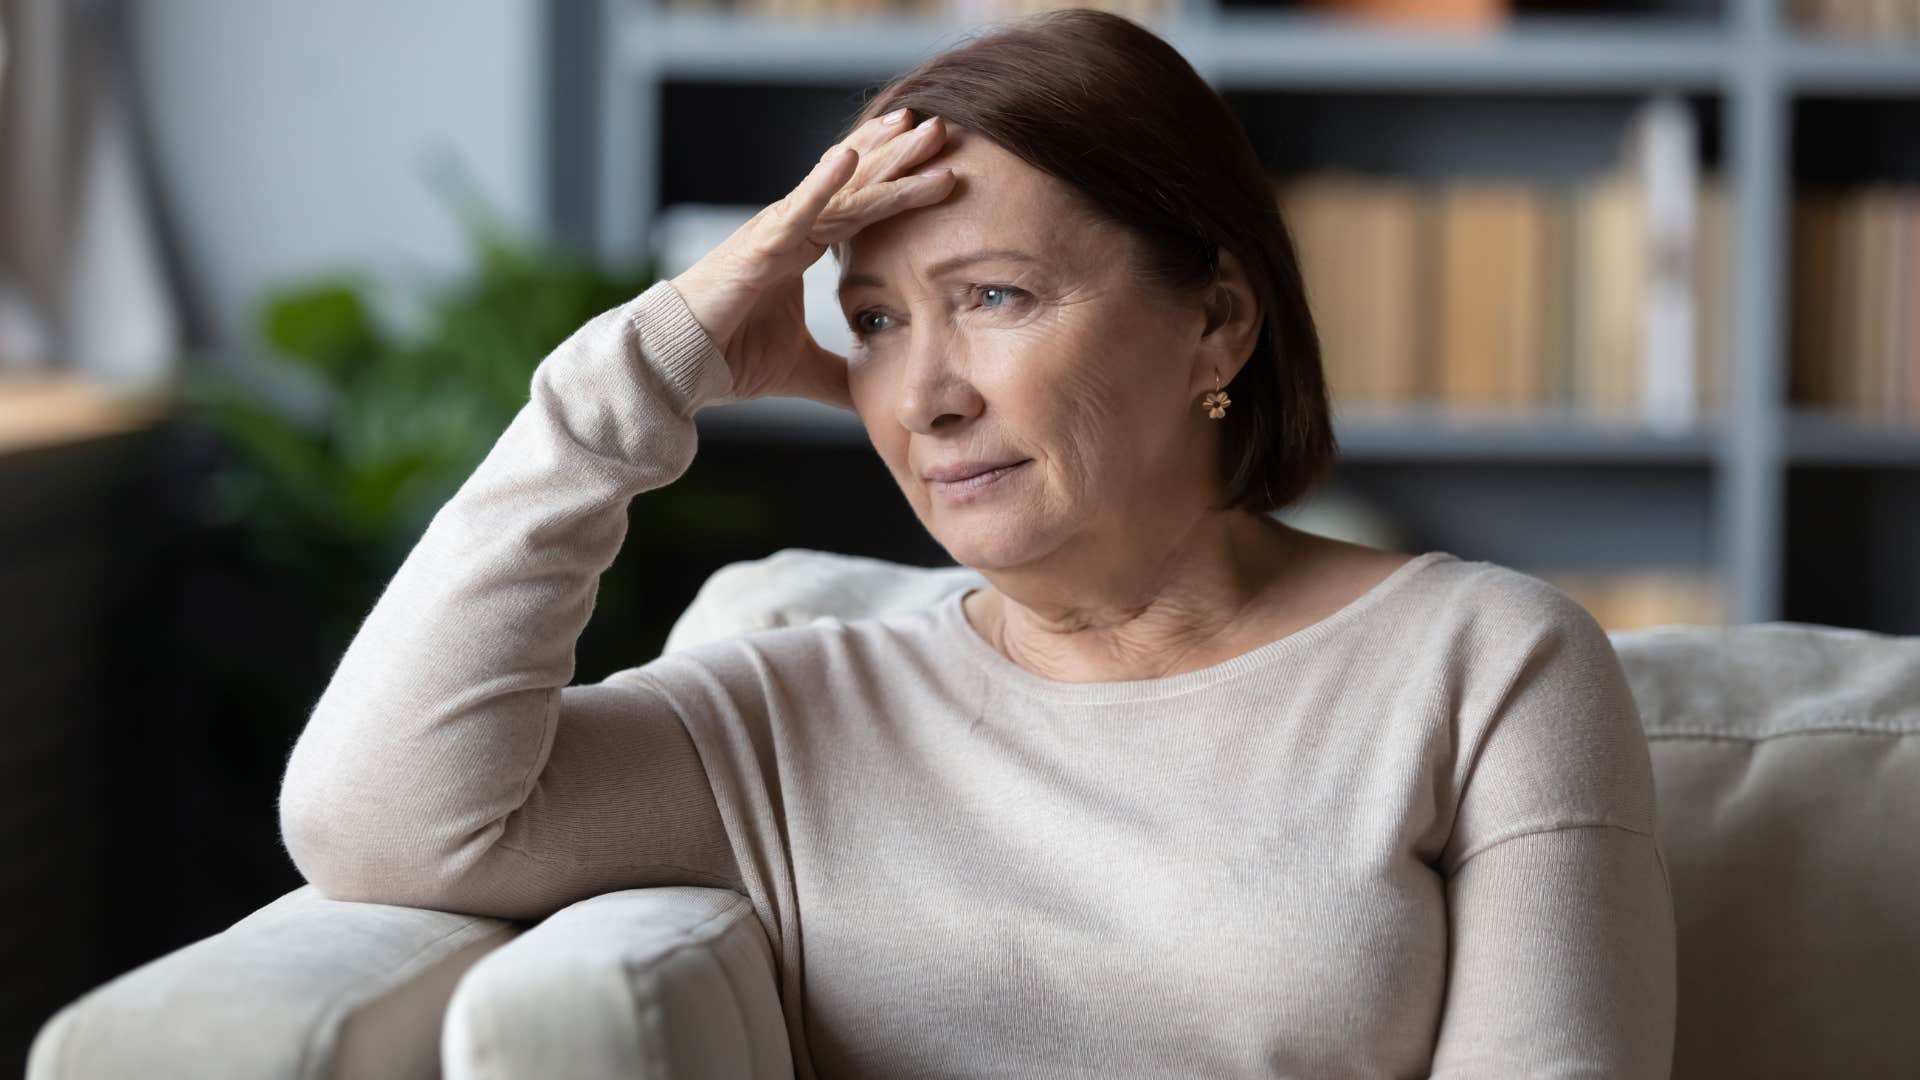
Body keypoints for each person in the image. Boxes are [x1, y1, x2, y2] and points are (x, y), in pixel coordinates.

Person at [279, 9, 1676, 1077]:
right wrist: (641, 375)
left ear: (1219, 320)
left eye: (995, 295)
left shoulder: (1488, 665)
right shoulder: (793, 714)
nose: (926, 395)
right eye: (876, 320)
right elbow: (377, 821)